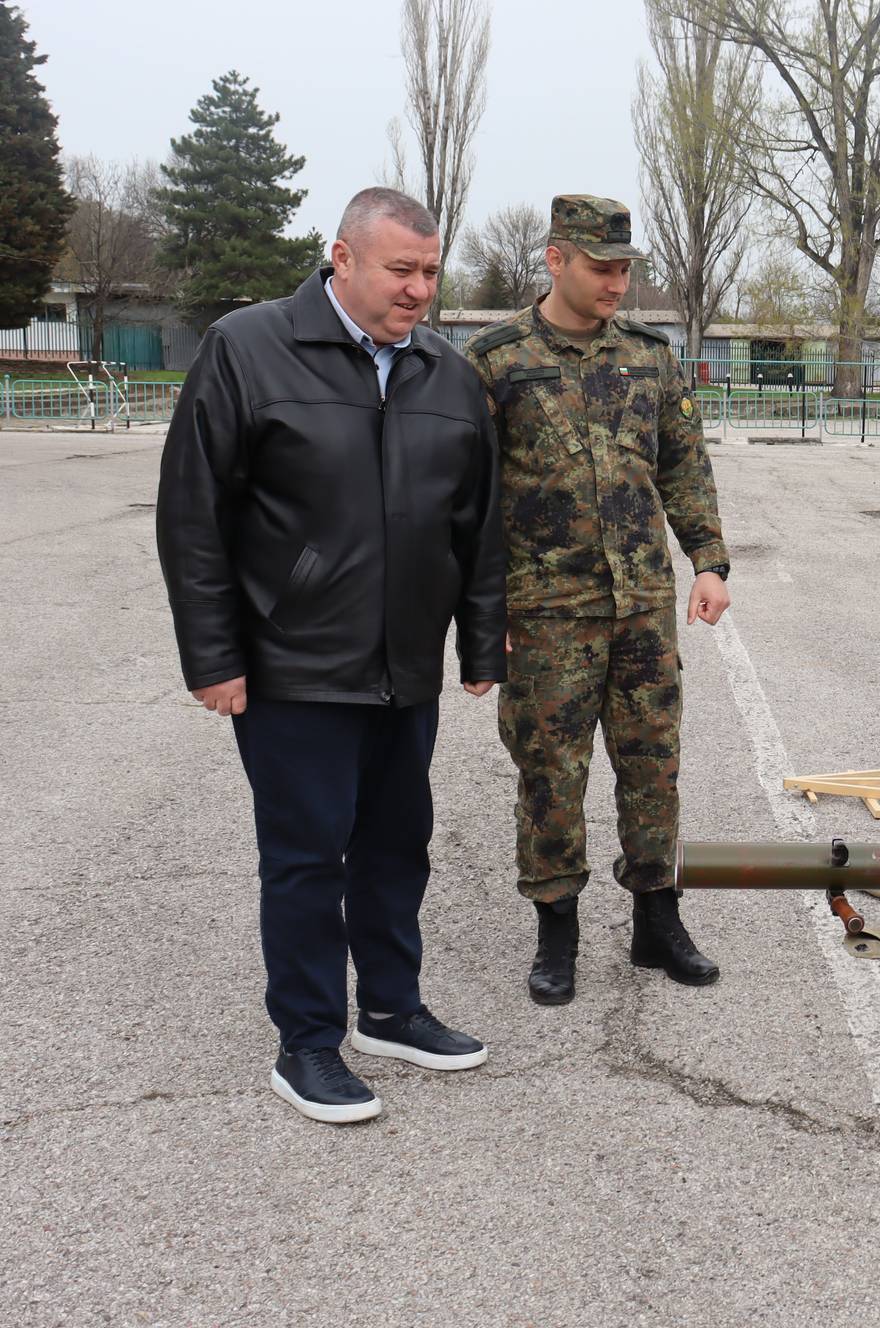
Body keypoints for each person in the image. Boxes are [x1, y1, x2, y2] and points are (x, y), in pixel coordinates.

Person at [156, 187, 506, 1125]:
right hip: (293, 666)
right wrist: (212, 656)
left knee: (397, 847)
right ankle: (307, 1043)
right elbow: (195, 517)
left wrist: (479, 641)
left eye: (431, 272)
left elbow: (477, 523)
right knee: (307, 859)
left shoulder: (446, 373)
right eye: (401, 270)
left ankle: (391, 1010)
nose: (420, 291)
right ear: (341, 259)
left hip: (406, 668)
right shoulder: (248, 347)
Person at [465, 195, 731, 1007]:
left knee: (654, 764)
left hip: (642, 602)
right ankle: (558, 931)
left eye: (625, 268)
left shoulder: (651, 357)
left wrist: (709, 560)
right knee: (552, 771)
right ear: (556, 260)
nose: (618, 282)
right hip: (545, 612)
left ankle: (657, 916)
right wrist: (481, 621)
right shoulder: (495, 361)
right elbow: (468, 499)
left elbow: (683, 462)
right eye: (602, 267)